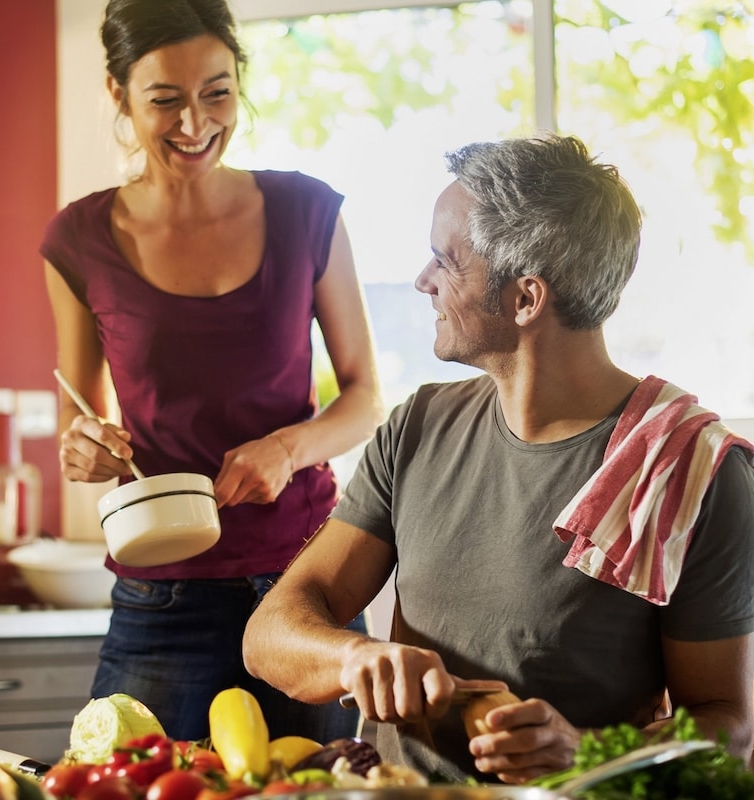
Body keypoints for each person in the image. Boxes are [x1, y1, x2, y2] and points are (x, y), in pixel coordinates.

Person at [242, 133, 754, 784]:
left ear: (525, 299)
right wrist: (356, 659)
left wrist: (585, 751)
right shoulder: (418, 427)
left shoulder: (693, 472)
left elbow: (728, 728)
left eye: (444, 262)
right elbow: (270, 633)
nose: (422, 282)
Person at [40, 0, 383, 743]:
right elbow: (76, 410)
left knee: (326, 790)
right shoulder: (79, 239)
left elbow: (365, 399)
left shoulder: (306, 210)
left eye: (217, 93)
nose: (194, 124)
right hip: (162, 588)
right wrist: (82, 445)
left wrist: (287, 448)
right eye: (164, 99)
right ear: (118, 94)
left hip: (308, 581)